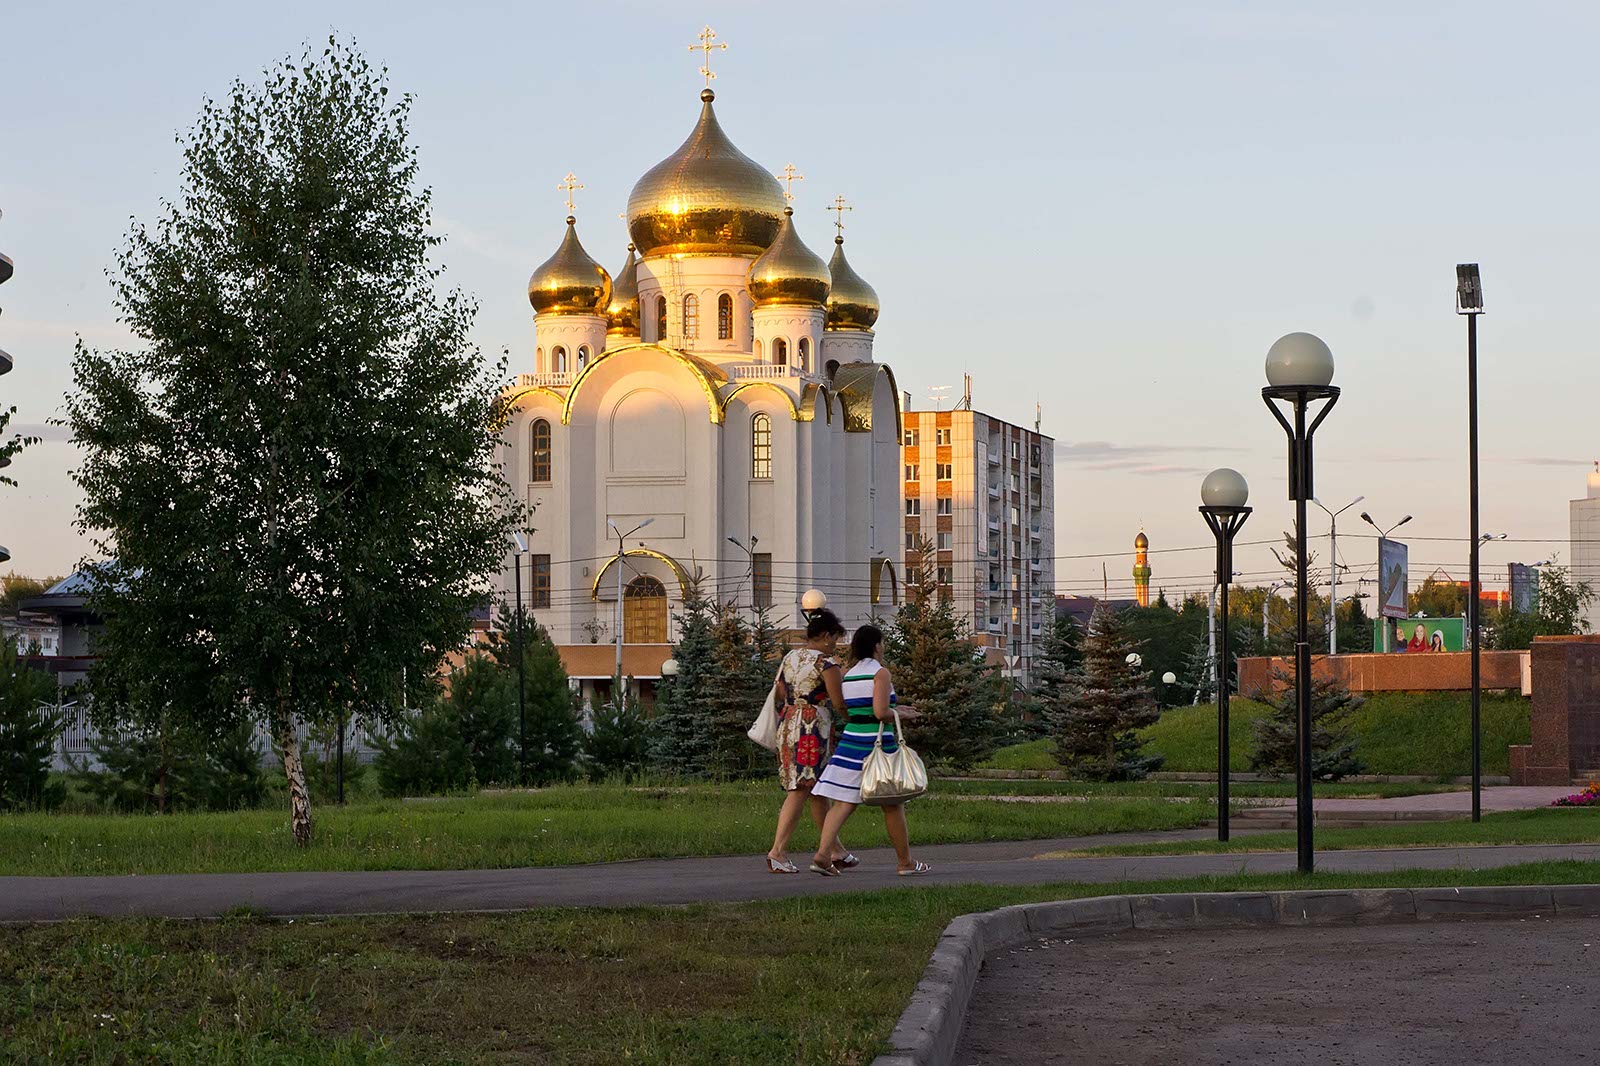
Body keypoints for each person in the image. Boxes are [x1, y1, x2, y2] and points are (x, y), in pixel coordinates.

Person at [809, 624, 932, 877]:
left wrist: (899, 709)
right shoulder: (881, 673)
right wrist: (902, 714)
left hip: (851, 741)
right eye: (883, 643)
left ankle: (823, 854)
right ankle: (905, 862)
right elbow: (879, 712)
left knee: (843, 802)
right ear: (877, 645)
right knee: (892, 803)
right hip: (876, 743)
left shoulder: (851, 673)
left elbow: (861, 706)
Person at [766, 609, 857, 874]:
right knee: (802, 789)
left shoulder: (790, 658)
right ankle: (777, 852)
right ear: (826, 635)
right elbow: (838, 702)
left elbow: (780, 692)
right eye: (836, 639)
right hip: (812, 727)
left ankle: (835, 851)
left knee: (817, 789)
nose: (836, 645)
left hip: (789, 722)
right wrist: (855, 719)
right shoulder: (826, 664)